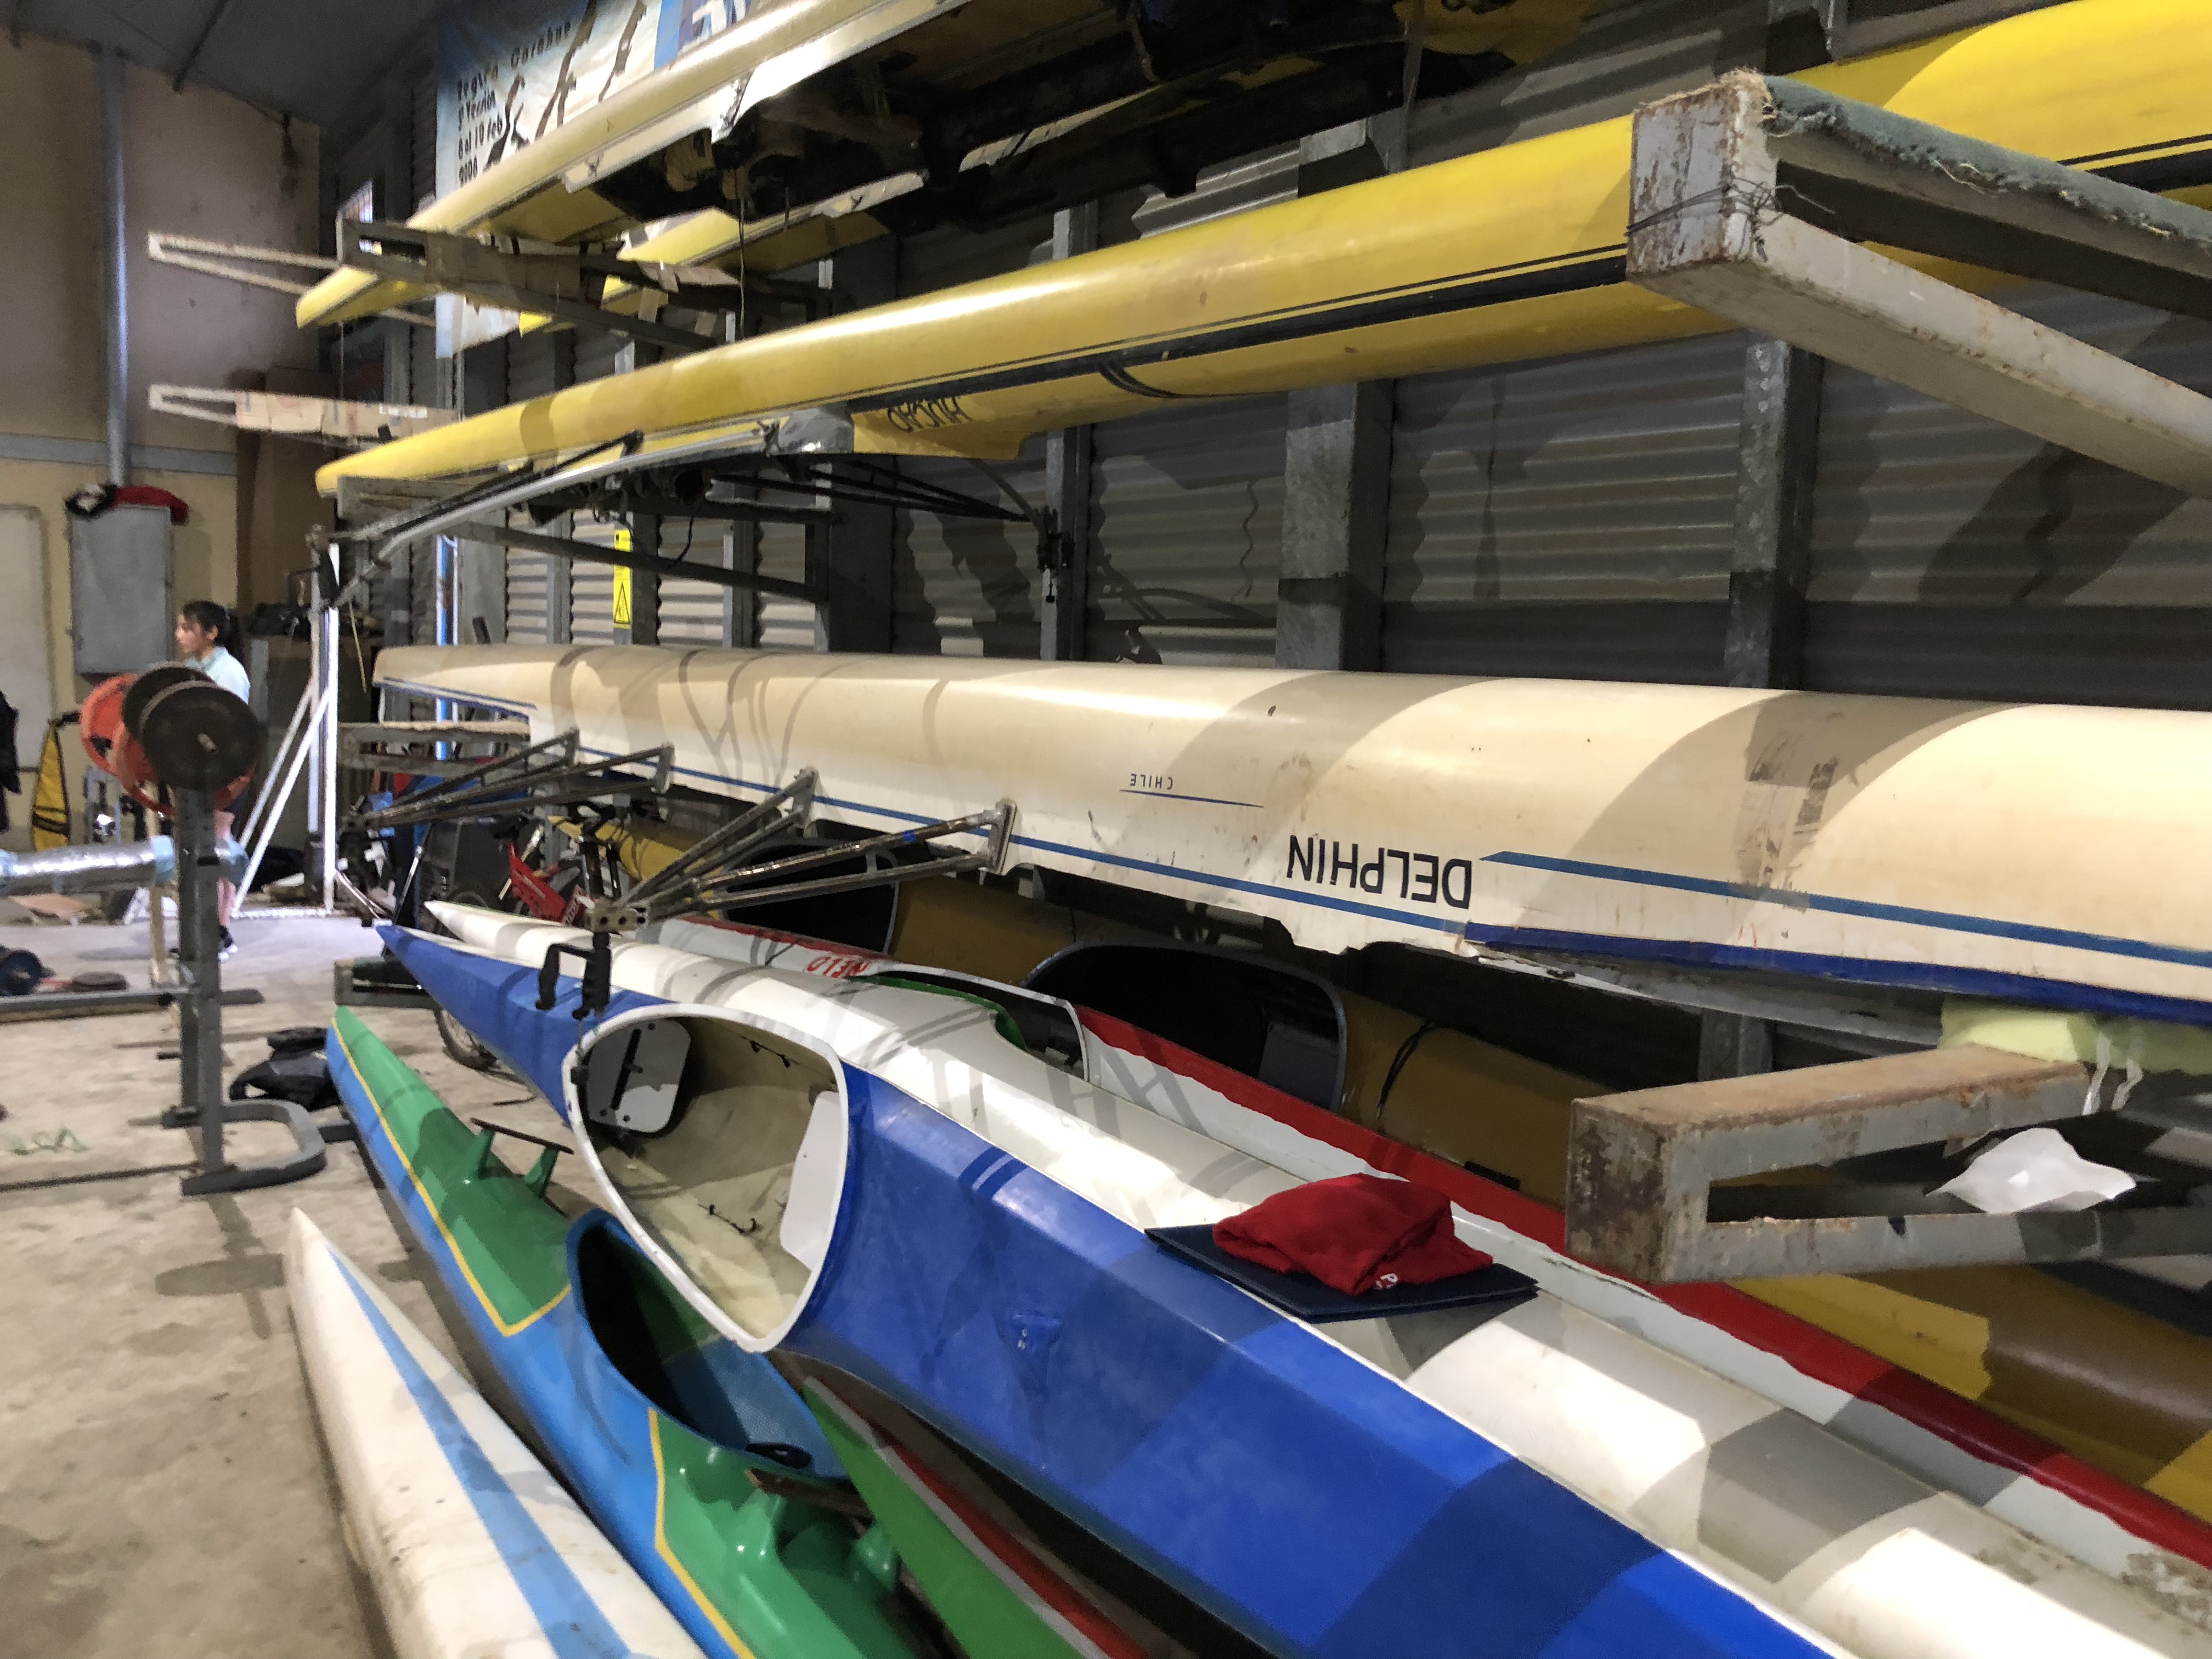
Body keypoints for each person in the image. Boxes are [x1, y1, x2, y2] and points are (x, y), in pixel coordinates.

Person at [171, 601, 251, 958]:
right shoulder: (190, 670)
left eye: (187, 628)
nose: (179, 635)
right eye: (179, 627)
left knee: (218, 847)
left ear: (211, 633)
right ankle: (198, 933)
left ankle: (221, 932)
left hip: (225, 771)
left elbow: (226, 730)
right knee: (194, 852)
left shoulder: (229, 673)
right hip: (193, 773)